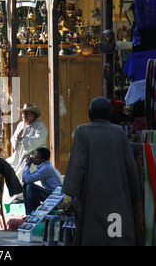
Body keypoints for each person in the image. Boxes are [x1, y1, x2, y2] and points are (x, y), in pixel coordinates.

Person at [62, 97, 142, 246]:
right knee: (116, 237)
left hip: (92, 197)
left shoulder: (82, 132)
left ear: (90, 113)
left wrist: (74, 195)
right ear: (109, 114)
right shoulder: (118, 132)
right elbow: (130, 165)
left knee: (93, 235)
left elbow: (78, 164)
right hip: (116, 199)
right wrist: (135, 194)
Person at [6, 103, 47, 201]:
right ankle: (12, 193)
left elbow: (39, 140)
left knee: (25, 167)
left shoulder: (39, 125)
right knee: (6, 164)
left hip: (33, 156)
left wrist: (22, 140)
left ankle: (20, 195)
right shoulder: (21, 124)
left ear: (33, 114)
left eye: (27, 113)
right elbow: (14, 138)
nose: (24, 115)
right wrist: (16, 138)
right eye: (23, 113)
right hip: (19, 155)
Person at [22, 147, 63, 216]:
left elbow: (28, 179)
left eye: (36, 157)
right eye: (34, 156)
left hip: (55, 198)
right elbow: (25, 180)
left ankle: (34, 213)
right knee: (26, 186)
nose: (34, 158)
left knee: (31, 187)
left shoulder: (46, 168)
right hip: (50, 194)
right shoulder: (43, 166)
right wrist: (27, 166)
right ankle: (29, 213)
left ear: (43, 160)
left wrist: (27, 165)